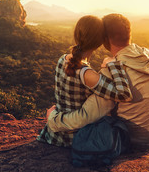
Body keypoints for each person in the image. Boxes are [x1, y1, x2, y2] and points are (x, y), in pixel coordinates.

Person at [47, 14, 149, 145]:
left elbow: (87, 116)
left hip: (134, 137)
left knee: (101, 113)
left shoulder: (111, 71)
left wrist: (54, 120)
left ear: (104, 39)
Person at [37, 15, 132, 147]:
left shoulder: (62, 59)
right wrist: (114, 64)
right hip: (76, 137)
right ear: (100, 42)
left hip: (54, 135)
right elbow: (124, 95)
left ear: (77, 35)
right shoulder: (88, 74)